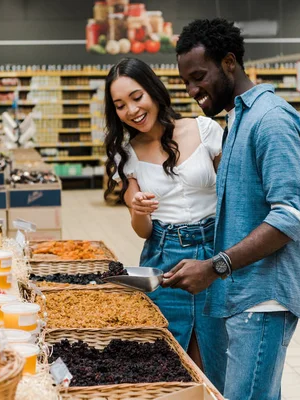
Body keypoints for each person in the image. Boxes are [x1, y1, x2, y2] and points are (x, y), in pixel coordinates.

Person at [164, 19, 300, 400]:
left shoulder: (272, 120)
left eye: (199, 76)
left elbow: (290, 216)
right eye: (185, 82)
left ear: (229, 62)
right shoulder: (239, 118)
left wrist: (215, 267)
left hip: (263, 298)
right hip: (242, 293)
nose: (193, 89)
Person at [104, 57, 227, 393]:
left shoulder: (204, 130)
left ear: (154, 91)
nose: (131, 110)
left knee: (215, 356)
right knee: (169, 361)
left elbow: (233, 193)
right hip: (163, 257)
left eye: (136, 96)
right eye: (120, 105)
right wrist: (140, 210)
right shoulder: (127, 153)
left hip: (214, 253)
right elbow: (142, 230)